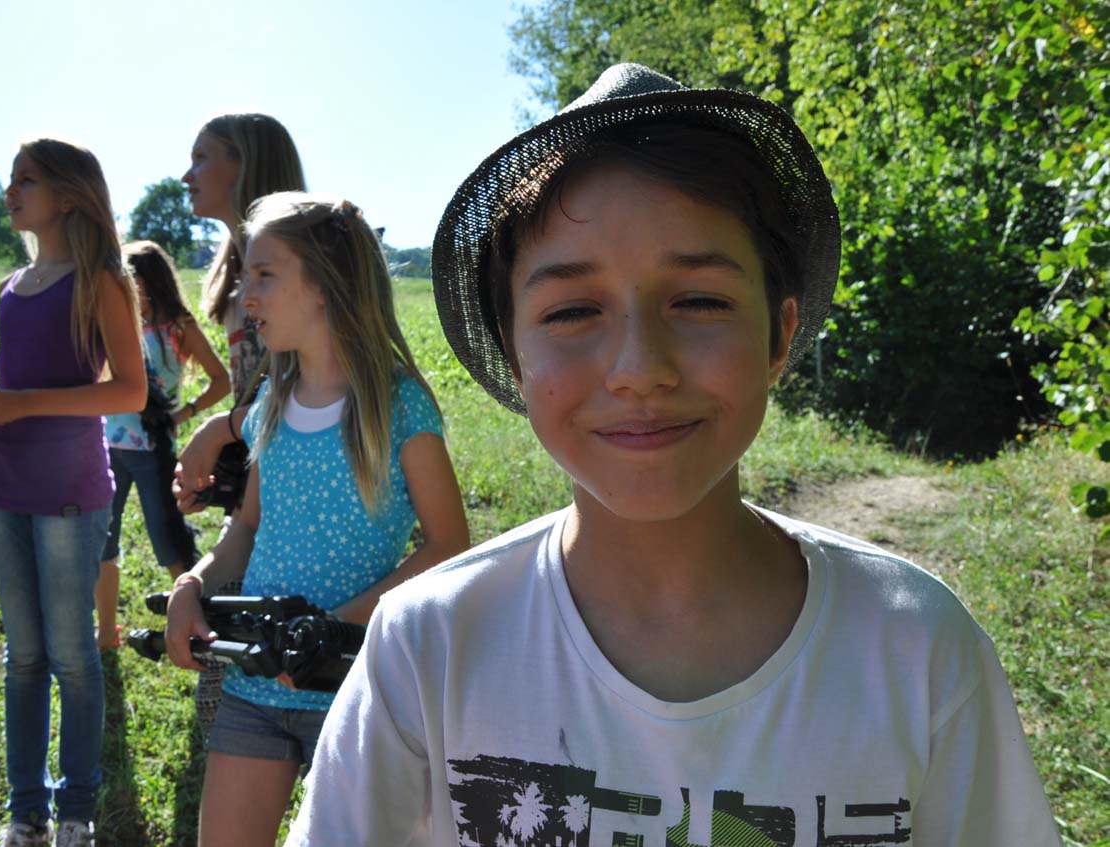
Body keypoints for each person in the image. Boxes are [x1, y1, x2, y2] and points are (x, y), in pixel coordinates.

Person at [284, 64, 1062, 847]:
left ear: (780, 335)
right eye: (573, 310)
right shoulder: (428, 646)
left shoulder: (917, 646)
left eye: (699, 301)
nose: (640, 369)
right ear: (514, 356)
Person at [162, 191, 469, 847]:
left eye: (264, 274)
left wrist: (333, 627)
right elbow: (247, 529)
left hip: (357, 688)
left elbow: (448, 544)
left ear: (326, 284)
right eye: (245, 275)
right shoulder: (271, 404)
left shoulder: (400, 408)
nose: (245, 294)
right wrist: (192, 585)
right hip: (256, 689)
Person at [0, 139, 146, 847]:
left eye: (25, 180)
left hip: (68, 493)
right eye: (11, 179)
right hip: (3, 485)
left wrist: (20, 404)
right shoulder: (11, 285)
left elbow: (129, 391)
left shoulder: (101, 281)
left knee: (73, 658)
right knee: (22, 657)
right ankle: (25, 812)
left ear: (69, 196)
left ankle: (76, 810)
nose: (10, 192)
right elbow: (17, 382)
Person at [176, 112, 307, 732]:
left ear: (245, 165)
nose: (187, 176)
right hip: (257, 498)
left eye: (202, 158)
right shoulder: (239, 271)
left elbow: (308, 392)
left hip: (297, 504)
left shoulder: (295, 269)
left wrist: (220, 430)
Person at [93, 240, 230, 651]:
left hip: (154, 450)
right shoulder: (115, 323)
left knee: (168, 539)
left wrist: (185, 413)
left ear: (146, 281)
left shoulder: (178, 326)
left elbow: (221, 380)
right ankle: (105, 632)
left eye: (126, 276)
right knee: (103, 539)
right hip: (108, 445)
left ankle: (200, 624)